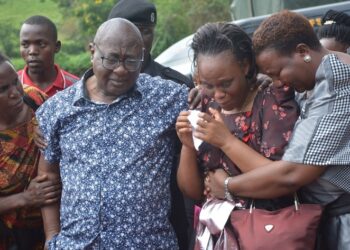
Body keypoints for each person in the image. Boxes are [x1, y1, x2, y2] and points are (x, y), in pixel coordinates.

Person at [36, 18, 189, 249]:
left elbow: (219, 97)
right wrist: (51, 236)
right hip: (76, 244)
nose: (121, 69)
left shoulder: (167, 97)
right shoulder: (57, 109)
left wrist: (255, 81)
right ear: (92, 51)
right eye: (112, 59)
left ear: (143, 56)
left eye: (131, 61)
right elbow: (47, 177)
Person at [203, 10, 350, 250]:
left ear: (303, 52)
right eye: (269, 75)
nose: (277, 84)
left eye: (277, 73)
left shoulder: (336, 86)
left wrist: (228, 185)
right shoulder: (315, 73)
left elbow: (292, 174)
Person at [175, 22, 299, 247]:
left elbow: (281, 178)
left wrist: (225, 141)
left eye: (226, 83)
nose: (218, 94)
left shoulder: (271, 101)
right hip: (216, 234)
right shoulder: (203, 102)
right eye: (208, 84)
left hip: (267, 233)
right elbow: (192, 191)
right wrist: (187, 145)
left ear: (245, 65)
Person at [108, 1, 194, 248]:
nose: (140, 39)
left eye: (146, 31)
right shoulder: (94, 86)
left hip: (166, 216)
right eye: (132, 30)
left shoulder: (176, 87)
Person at [0, 52, 61, 249]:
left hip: (54, 225)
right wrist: (25, 198)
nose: (16, 92)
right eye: (3, 89)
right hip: (10, 237)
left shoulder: (36, 100)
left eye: (15, 82)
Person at [18, 15, 79, 97]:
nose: (32, 51)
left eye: (41, 44)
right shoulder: (11, 87)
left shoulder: (76, 87)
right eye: (25, 45)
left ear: (56, 47)